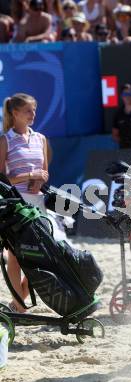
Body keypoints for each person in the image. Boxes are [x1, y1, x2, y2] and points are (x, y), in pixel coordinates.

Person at [0, 93, 50, 313]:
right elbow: (2, 179)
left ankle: (17, 302)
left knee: (43, 255)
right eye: (28, 110)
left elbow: (45, 172)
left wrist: (39, 178)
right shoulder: (5, 140)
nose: (33, 114)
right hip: (14, 203)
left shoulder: (40, 138)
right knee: (16, 257)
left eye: (34, 110)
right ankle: (20, 305)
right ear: (15, 113)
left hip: (37, 202)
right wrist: (29, 175)